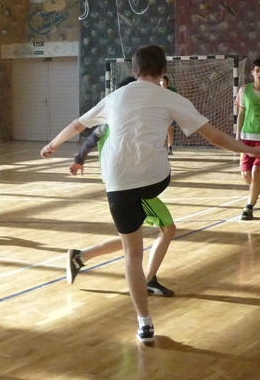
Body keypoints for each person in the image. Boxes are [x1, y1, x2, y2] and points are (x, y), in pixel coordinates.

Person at [41, 45, 260, 345]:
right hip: (153, 180)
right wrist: (251, 150)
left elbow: (76, 125)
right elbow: (216, 136)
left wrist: (52, 145)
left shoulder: (115, 97)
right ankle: (106, 264)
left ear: (134, 70)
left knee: (132, 254)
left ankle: (144, 323)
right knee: (157, 229)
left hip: (116, 182)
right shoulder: (170, 97)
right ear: (163, 72)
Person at [67, 77, 175, 297]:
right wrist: (78, 160)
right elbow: (91, 139)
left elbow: (89, 140)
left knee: (132, 237)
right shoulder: (119, 122)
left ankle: (80, 257)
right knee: (167, 229)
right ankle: (148, 280)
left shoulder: (113, 120)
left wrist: (79, 160)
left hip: (123, 184)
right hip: (131, 185)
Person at [235, 58, 260, 220]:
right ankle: (256, 192)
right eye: (257, 71)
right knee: (246, 174)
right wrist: (237, 135)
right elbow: (241, 113)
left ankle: (248, 207)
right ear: (252, 72)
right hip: (247, 138)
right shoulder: (244, 90)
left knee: (256, 171)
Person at [160, 75, 177, 155]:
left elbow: (176, 100)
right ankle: (163, 147)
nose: (162, 82)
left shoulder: (172, 90)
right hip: (161, 113)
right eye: (161, 80)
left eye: (164, 80)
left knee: (169, 130)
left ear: (167, 81)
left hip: (170, 112)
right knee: (161, 130)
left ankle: (170, 147)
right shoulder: (157, 90)